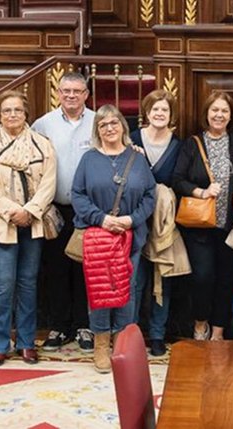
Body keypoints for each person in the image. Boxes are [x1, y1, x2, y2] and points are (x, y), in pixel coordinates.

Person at [72, 105, 156, 373]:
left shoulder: (137, 158)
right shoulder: (88, 159)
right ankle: (100, 344)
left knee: (126, 290)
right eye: (103, 124)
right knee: (99, 290)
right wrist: (102, 219)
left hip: (129, 236)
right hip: (98, 236)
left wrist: (131, 220)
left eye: (114, 123)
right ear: (97, 130)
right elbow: (78, 195)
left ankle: (122, 345)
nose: (109, 128)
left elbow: (150, 195)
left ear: (122, 126)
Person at [0, 90, 56, 366]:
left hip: (31, 223)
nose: (12, 115)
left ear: (26, 114)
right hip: (1, 223)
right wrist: (12, 212)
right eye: (7, 110)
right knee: (3, 285)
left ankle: (26, 342)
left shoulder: (41, 144)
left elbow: (49, 183)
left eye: (18, 110)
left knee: (27, 284)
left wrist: (29, 212)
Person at [171, 90, 233, 341]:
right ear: (207, 113)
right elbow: (177, 179)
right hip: (199, 226)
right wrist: (201, 191)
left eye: (224, 111)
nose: (219, 115)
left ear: (230, 116)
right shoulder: (192, 143)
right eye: (215, 110)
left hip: (229, 226)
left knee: (226, 279)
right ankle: (200, 324)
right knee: (203, 277)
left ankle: (218, 330)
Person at [32, 71, 95, 352]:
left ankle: (84, 326)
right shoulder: (43, 124)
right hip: (53, 209)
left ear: (86, 95)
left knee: (84, 269)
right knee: (55, 269)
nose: (71, 96)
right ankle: (59, 326)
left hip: (88, 210)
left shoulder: (97, 122)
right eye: (66, 91)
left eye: (77, 91)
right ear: (58, 93)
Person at [128, 89, 181, 357]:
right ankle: (132, 333)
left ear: (171, 116)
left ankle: (158, 334)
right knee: (135, 279)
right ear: (146, 112)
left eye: (165, 110)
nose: (159, 114)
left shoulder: (179, 145)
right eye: (155, 109)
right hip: (135, 220)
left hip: (164, 223)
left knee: (163, 279)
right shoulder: (133, 141)